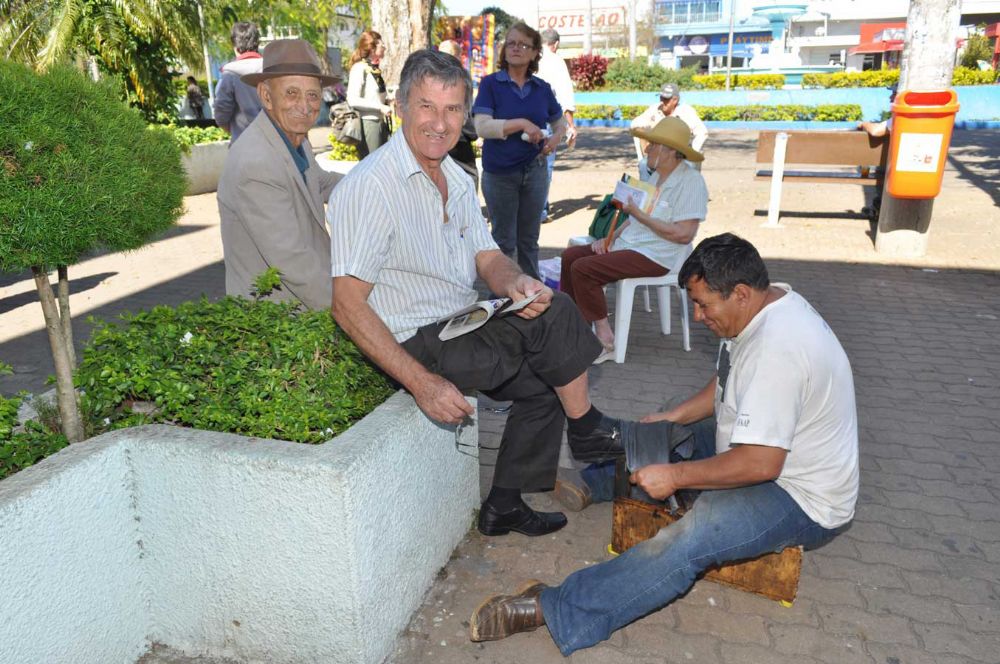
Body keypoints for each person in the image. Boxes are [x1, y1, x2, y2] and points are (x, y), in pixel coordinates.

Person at [469, 233, 860, 655]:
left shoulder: (779, 350)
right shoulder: (768, 301)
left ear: (742, 293)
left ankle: (559, 607)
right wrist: (673, 418)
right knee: (668, 432)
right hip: (758, 449)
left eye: (703, 305)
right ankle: (596, 483)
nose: (697, 316)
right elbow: (732, 376)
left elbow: (760, 464)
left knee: (691, 537)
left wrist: (676, 476)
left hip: (801, 496)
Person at [328, 49, 653, 539]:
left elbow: (488, 257)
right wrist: (422, 384)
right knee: (557, 313)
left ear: (467, 114)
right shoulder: (371, 186)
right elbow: (347, 305)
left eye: (453, 109)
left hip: (459, 325)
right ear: (400, 106)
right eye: (426, 107)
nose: (440, 123)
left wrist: (516, 282)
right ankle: (587, 431)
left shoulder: (456, 179)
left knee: (548, 371)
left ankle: (504, 505)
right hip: (413, 341)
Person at [560, 117, 707, 363]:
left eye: (653, 145)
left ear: (670, 151)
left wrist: (639, 216)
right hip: (631, 245)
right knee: (571, 256)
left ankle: (606, 339)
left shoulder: (691, 182)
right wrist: (609, 238)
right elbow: (635, 219)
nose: (647, 148)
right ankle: (577, 328)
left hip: (658, 255)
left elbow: (684, 235)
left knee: (584, 269)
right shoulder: (656, 176)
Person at [217, 39, 342, 311]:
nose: (305, 106)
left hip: (301, 305)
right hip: (276, 322)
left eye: (313, 95)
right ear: (265, 96)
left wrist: (381, 183)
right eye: (292, 93)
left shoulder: (295, 138)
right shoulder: (256, 163)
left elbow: (323, 183)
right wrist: (355, 313)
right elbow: (294, 262)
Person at [473, 22, 567, 280]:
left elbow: (561, 123)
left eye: (523, 44)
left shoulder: (541, 88)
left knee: (529, 241)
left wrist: (555, 138)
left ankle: (530, 298)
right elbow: (481, 126)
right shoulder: (491, 84)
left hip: (535, 171)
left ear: (536, 52)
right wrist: (522, 124)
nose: (515, 48)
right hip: (500, 173)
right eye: (511, 43)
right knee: (503, 241)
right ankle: (501, 297)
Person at [535, 28, 577, 224]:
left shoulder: (530, 57)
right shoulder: (556, 61)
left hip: (524, 120)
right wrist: (570, 125)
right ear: (556, 44)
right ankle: (539, 211)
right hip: (548, 120)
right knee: (545, 165)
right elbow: (565, 96)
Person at [438, 38, 480, 191]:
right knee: (469, 176)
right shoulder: (461, 76)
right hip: (459, 136)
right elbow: (466, 107)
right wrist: (474, 132)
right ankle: (468, 212)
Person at [630, 83, 708, 164]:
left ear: (675, 100)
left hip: (679, 155)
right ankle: (645, 162)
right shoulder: (655, 109)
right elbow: (635, 124)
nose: (662, 102)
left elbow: (702, 132)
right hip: (659, 154)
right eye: (661, 98)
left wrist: (691, 153)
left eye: (666, 99)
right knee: (639, 135)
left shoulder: (686, 112)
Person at [213, 21, 264, 143]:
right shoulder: (272, 69)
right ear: (257, 42)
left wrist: (233, 130)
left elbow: (221, 113)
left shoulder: (229, 74)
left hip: (243, 143)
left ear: (234, 45)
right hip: (275, 145)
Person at [347, 30, 392, 158]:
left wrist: (387, 100)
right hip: (368, 124)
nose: (384, 47)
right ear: (372, 48)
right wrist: (380, 107)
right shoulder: (359, 68)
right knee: (373, 168)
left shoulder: (373, 69)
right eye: (382, 44)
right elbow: (352, 99)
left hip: (378, 123)